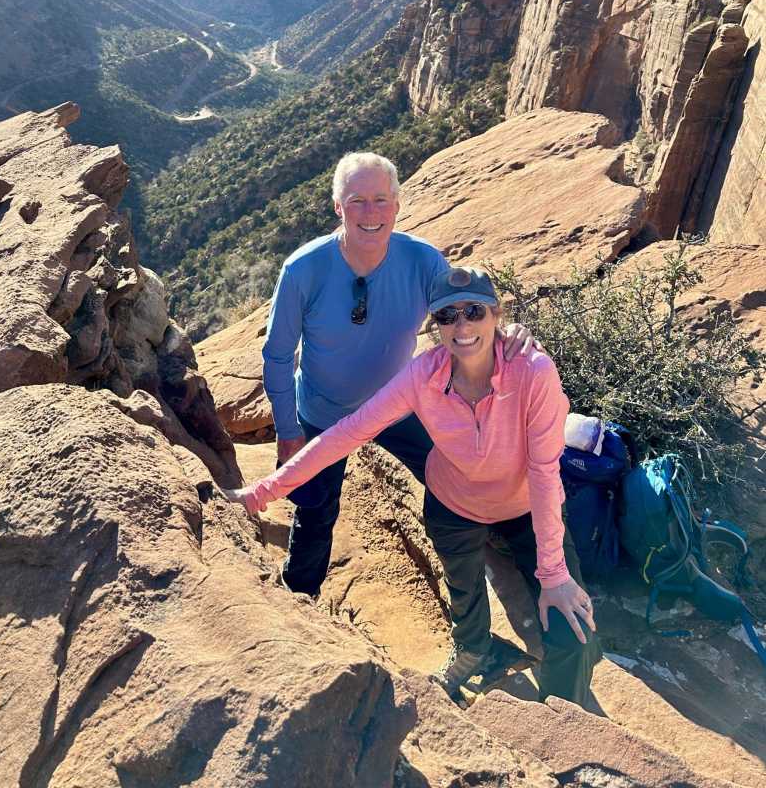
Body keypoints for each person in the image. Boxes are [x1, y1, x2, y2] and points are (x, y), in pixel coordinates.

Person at [228, 265, 601, 706]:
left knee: (573, 632)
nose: (462, 326)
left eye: (474, 311)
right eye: (447, 316)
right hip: (454, 505)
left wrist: (554, 575)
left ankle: (561, 717)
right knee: (464, 591)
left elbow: (543, 470)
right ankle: (474, 651)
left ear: (496, 314)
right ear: (435, 325)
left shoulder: (532, 371)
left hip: (525, 506)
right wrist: (263, 492)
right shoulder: (423, 376)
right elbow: (348, 432)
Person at [261, 152, 535, 599]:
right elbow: (276, 356)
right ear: (338, 207)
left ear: (397, 205)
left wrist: (508, 337)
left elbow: (464, 318)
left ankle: (501, 539)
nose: (370, 213)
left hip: (397, 403)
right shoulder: (303, 270)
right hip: (323, 412)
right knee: (315, 512)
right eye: (357, 201)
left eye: (381, 200)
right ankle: (299, 598)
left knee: (457, 473)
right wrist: (288, 431)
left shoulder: (422, 261)